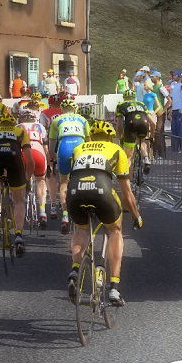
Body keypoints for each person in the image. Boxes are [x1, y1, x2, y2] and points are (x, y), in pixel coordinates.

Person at [64, 120, 143, 307]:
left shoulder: (79, 149)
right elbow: (127, 191)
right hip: (101, 192)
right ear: (111, 137)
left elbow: (70, 177)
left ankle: (75, 269)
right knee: (115, 230)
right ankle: (114, 288)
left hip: (75, 192)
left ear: (91, 137)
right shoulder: (116, 149)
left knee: (81, 230)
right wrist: (136, 215)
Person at [0, 111, 32, 255]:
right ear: (13, 123)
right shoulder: (20, 131)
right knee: (19, 200)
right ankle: (18, 234)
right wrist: (27, 178)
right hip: (14, 160)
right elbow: (29, 160)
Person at [49, 99, 91, 232]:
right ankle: (85, 207)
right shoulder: (83, 119)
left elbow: (52, 142)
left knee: (63, 182)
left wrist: (52, 156)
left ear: (62, 109)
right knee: (84, 178)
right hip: (80, 147)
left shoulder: (57, 120)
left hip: (64, 147)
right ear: (75, 109)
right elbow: (89, 140)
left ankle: (65, 215)